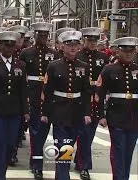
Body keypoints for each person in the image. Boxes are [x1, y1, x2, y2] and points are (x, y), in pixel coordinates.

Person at [42, 30, 92, 180]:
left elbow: (86, 92)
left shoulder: (83, 66)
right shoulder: (53, 66)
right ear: (62, 47)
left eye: (75, 45)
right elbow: (48, 91)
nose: (72, 48)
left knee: (69, 146)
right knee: (63, 147)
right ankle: (63, 176)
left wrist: (87, 113)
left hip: (76, 111)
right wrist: (45, 113)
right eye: (69, 45)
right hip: (59, 111)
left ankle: (62, 175)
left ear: (79, 47)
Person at [0, 30, 30, 180]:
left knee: (10, 144)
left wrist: (26, 110)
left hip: (14, 111)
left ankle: (2, 167)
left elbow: (23, 89)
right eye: (6, 46)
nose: (9, 49)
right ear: (0, 47)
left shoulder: (21, 65)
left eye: (11, 46)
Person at [19, 22, 59, 180]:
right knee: (36, 134)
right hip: (33, 95)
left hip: (50, 98)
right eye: (39, 34)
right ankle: (37, 165)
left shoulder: (54, 54)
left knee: (45, 133)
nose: (42, 37)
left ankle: (35, 160)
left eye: (45, 35)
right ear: (34, 35)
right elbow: (21, 77)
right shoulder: (26, 53)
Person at [97, 37, 138, 180]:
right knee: (118, 150)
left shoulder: (137, 69)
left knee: (129, 152)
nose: (128, 54)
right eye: (125, 51)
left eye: (131, 51)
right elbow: (99, 93)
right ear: (118, 51)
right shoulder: (109, 69)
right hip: (116, 116)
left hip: (134, 117)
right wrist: (101, 115)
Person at [74, 27, 109, 180]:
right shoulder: (77, 55)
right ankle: (81, 164)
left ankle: (81, 162)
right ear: (84, 41)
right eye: (90, 40)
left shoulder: (102, 57)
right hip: (80, 98)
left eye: (95, 40)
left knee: (89, 134)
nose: (93, 43)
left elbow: (105, 78)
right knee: (81, 134)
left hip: (96, 98)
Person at [6, 24, 29, 165]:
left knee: (19, 127)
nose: (19, 39)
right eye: (17, 36)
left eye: (21, 37)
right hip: (5, 96)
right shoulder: (4, 51)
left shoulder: (26, 53)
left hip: (20, 95)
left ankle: (13, 153)